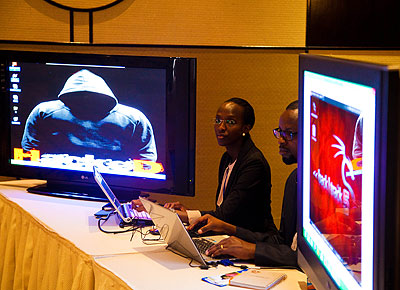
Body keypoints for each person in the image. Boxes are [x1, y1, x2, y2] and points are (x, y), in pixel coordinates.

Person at [135, 98, 276, 233]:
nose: (221, 127)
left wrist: (159, 210)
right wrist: (187, 212)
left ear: (246, 128)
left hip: (252, 242)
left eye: (230, 122)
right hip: (229, 236)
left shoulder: (253, 163)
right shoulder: (228, 157)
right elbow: (222, 213)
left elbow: (225, 215)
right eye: (218, 120)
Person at [187, 100, 299, 267]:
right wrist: (242, 242)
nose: (280, 140)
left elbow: (304, 257)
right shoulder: (294, 179)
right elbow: (283, 242)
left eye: (288, 134)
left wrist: (252, 249)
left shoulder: (254, 163)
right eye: (279, 132)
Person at [21, 69, 157, 162]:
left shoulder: (133, 119)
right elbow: (30, 153)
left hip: (117, 185)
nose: (86, 100)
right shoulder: (44, 112)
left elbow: (146, 161)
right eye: (80, 97)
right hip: (56, 177)